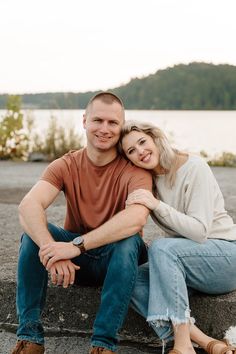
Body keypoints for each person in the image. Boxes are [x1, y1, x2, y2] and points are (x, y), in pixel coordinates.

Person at [11, 94, 152, 354]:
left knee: (130, 240)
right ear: (85, 121)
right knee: (31, 234)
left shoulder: (134, 169)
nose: (105, 129)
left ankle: (102, 345)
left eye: (113, 122)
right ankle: (30, 338)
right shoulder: (66, 164)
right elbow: (28, 206)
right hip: (77, 265)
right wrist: (51, 249)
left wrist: (76, 246)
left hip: (117, 259)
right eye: (98, 120)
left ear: (121, 126)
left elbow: (136, 218)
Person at [120, 120, 236, 354]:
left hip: (225, 255)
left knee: (161, 247)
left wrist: (156, 205)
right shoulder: (148, 181)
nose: (140, 151)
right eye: (131, 151)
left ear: (155, 138)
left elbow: (199, 231)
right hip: (189, 262)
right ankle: (206, 342)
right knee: (125, 277)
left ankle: (183, 346)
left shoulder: (194, 167)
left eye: (142, 142)